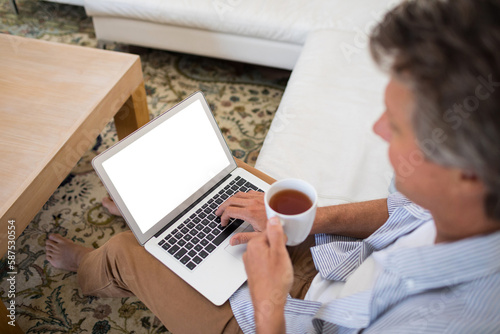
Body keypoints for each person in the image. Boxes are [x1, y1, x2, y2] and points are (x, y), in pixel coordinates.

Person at [45, 0, 500, 332]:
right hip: (334, 262)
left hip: (277, 319)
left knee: (125, 250)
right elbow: (405, 210)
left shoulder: (443, 322)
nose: (379, 129)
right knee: (228, 183)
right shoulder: (473, 202)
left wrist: (268, 301)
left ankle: (93, 264)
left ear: (465, 175)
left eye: (398, 126)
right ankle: (158, 213)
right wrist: (310, 219)